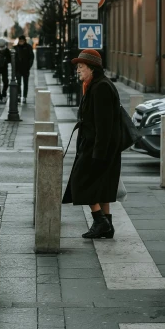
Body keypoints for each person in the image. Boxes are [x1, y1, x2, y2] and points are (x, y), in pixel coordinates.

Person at [62, 49, 122, 239]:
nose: (78, 70)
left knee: (80, 182)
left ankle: (100, 221)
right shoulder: (94, 85)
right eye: (78, 67)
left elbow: (104, 125)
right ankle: (107, 226)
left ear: (92, 68)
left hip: (98, 147)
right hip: (97, 146)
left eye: (81, 67)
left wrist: (98, 154)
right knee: (102, 186)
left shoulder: (101, 87)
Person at [14, 35, 34, 103]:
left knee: (25, 83)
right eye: (20, 41)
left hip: (25, 68)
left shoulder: (28, 47)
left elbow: (31, 57)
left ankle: (24, 96)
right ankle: (19, 95)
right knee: (18, 83)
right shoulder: (16, 48)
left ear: (24, 41)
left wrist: (29, 66)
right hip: (18, 69)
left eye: (22, 41)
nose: (21, 42)